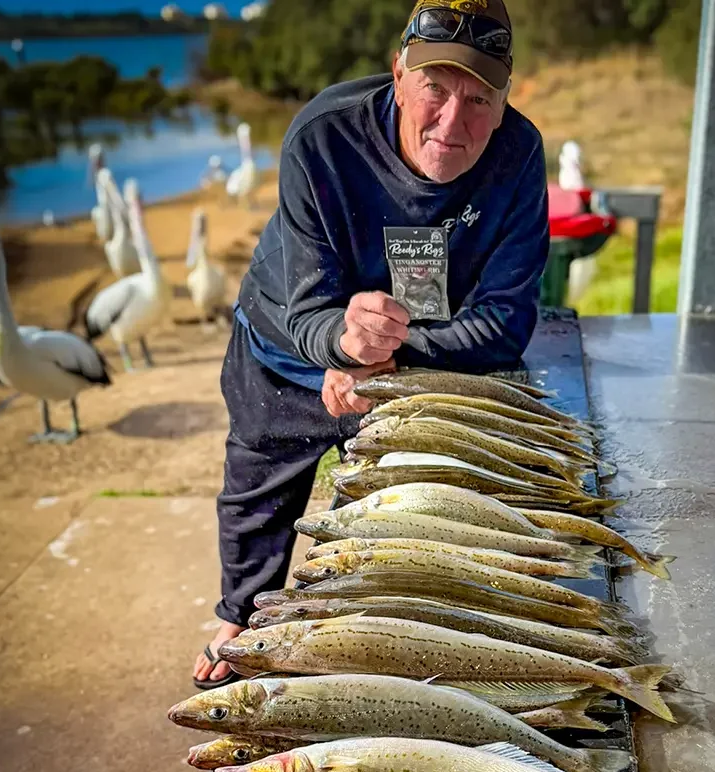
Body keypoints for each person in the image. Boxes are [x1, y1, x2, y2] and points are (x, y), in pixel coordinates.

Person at [193, 0, 549, 687]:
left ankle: (376, 637)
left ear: (506, 101)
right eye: (436, 90)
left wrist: (385, 363)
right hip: (287, 349)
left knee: (398, 519)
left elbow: (507, 324)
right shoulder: (322, 136)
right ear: (397, 74)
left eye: (479, 99)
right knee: (255, 494)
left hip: (414, 356)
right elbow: (306, 311)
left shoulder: (519, 155)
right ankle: (238, 613)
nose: (454, 122)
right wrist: (339, 346)